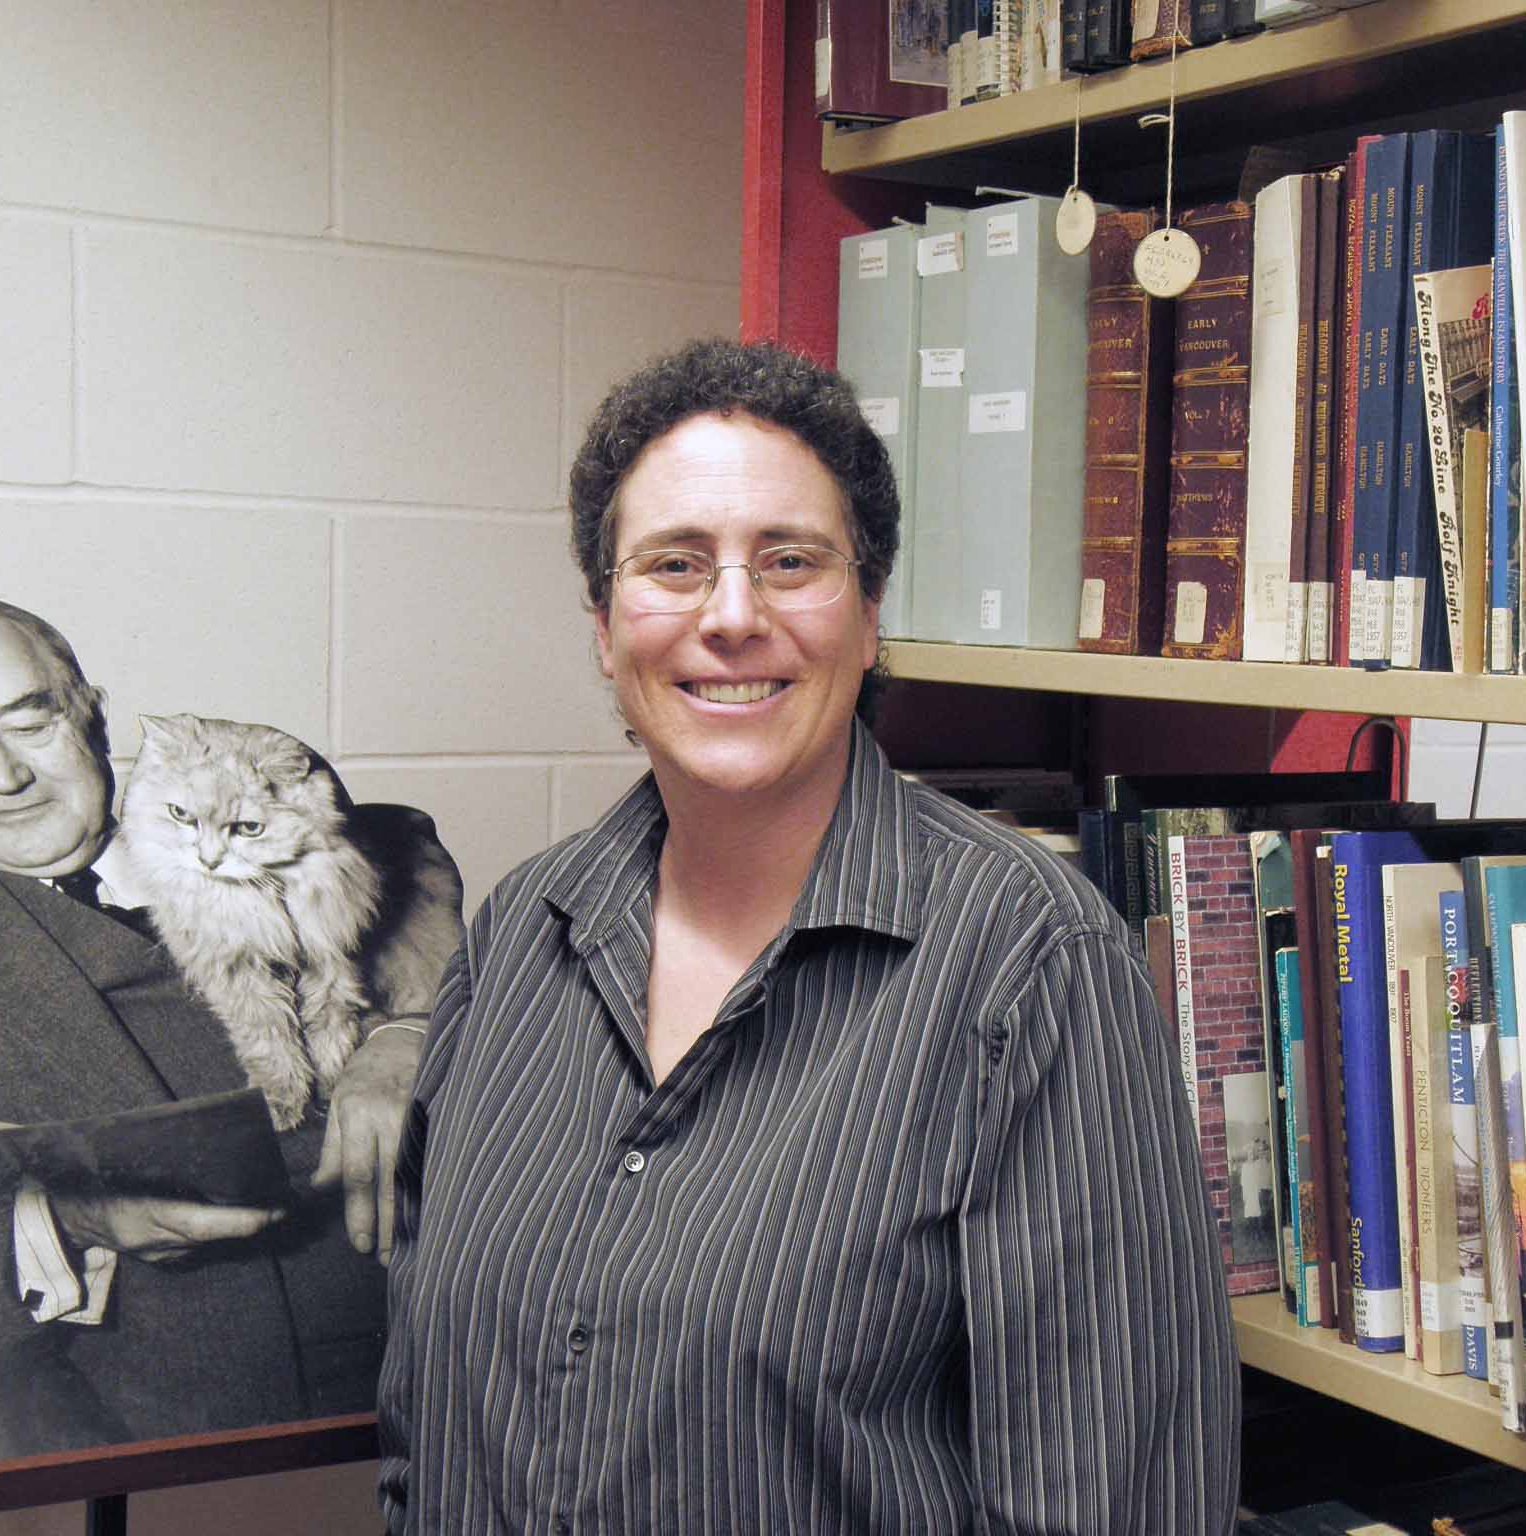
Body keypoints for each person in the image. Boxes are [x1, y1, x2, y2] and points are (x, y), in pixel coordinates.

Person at [377, 339, 1241, 1533]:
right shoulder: (520, 934)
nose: (731, 618)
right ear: (603, 622)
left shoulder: (1029, 968)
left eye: (790, 562)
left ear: (870, 613)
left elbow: (1114, 1502)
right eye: (673, 565)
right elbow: (427, 1425)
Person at [0, 592, 425, 1465]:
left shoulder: (261, 819)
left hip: (403, 1428)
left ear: (88, 709)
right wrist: (64, 1223)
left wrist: (413, 1032)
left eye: (30, 721)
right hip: (91, 1458)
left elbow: (422, 887)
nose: (2, 774)